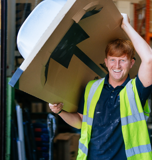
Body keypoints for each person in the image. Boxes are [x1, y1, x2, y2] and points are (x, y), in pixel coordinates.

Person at [49, 13, 152, 160]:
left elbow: (149, 59)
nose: (116, 65)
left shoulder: (136, 90)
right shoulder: (92, 88)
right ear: (106, 61)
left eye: (122, 60)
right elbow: (80, 121)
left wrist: (125, 25)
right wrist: (60, 112)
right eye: (112, 60)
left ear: (131, 63)